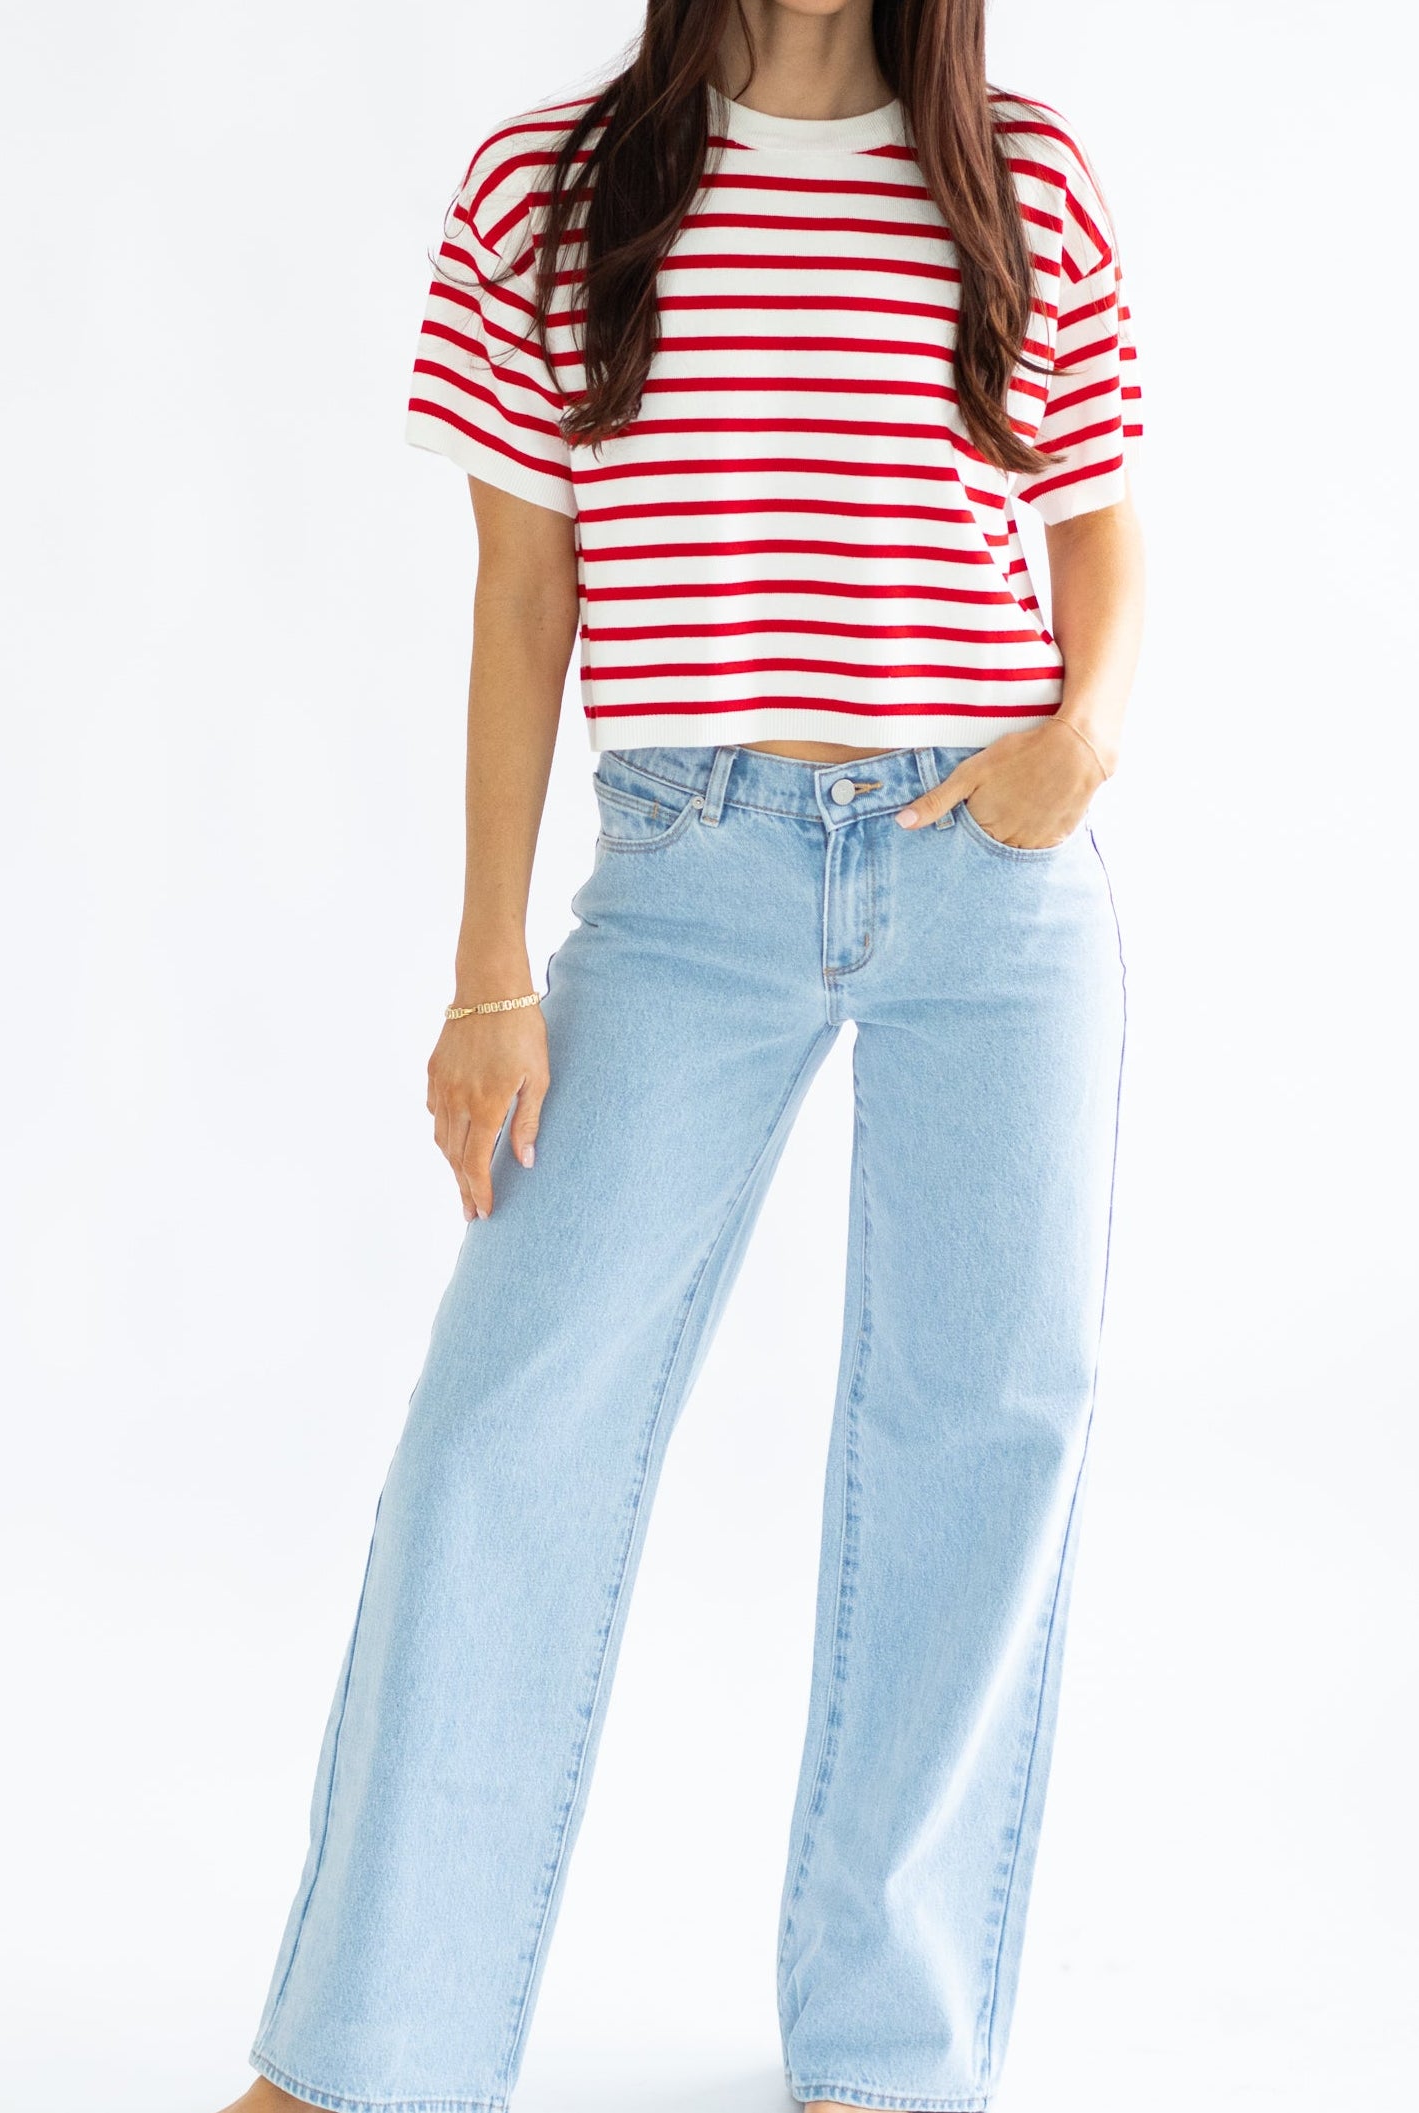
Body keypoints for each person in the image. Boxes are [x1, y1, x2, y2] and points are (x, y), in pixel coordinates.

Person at [218, 0, 1144, 2107]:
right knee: (499, 1436)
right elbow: (523, 586)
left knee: (980, 1433)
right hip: (688, 872)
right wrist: (485, 966)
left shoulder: (1024, 172)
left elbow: (1098, 523)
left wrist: (1080, 736)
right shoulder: (548, 188)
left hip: (992, 876)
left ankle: (888, 2061)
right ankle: (367, 2054)